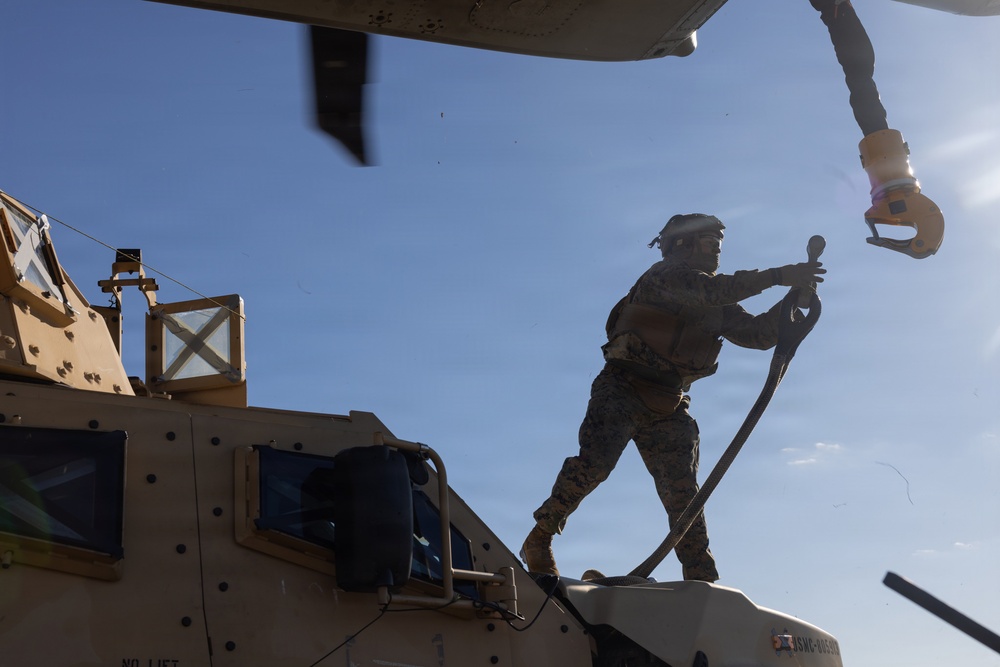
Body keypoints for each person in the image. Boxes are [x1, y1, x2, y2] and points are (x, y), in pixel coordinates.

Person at [521, 213, 825, 581]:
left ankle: (701, 578)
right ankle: (539, 539)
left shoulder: (718, 304)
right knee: (595, 465)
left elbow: (757, 335)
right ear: (682, 245)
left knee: (684, 494)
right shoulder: (665, 276)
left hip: (669, 403)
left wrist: (793, 300)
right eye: (709, 242)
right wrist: (779, 276)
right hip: (623, 388)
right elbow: (711, 291)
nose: (716, 250)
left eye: (718, 243)